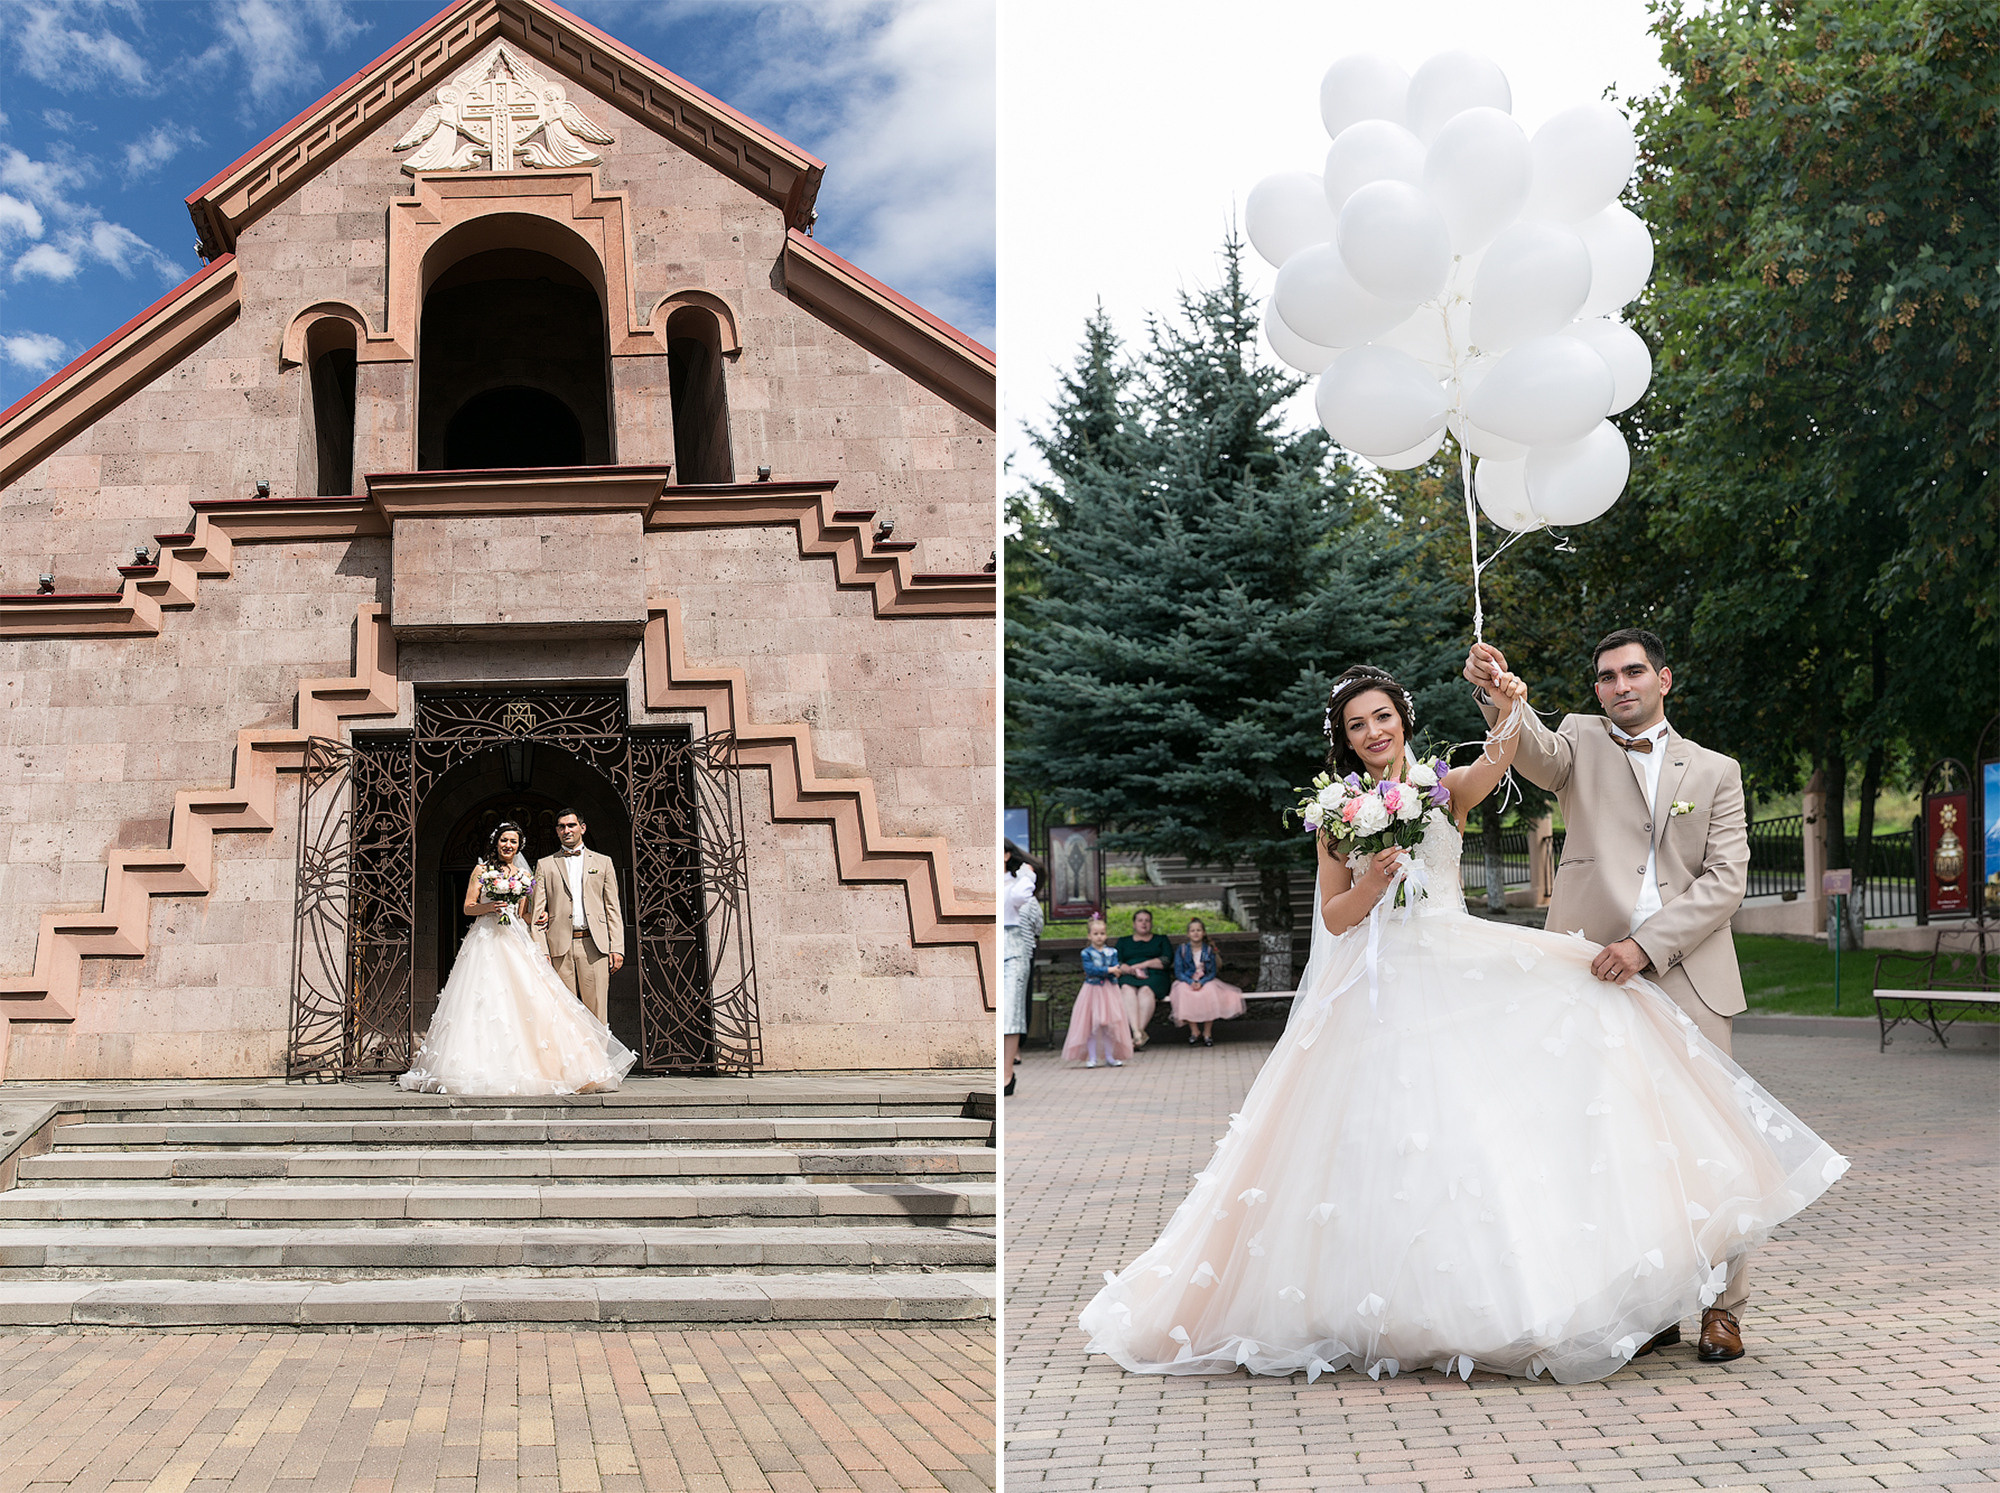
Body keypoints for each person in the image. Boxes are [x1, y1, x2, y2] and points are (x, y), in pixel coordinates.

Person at [1079, 663, 1845, 1385]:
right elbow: (1338, 918)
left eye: (1383, 717)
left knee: (1478, 1122)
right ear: (1342, 739)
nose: (1373, 731)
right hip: (1377, 994)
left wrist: (1506, 696)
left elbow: (1501, 758)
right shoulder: (1336, 813)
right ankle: (1382, 1305)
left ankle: (1541, 1300)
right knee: (1380, 1144)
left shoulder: (1443, 791)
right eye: (1357, 724)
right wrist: (1374, 880)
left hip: (1453, 973)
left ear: (1403, 721)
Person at [1465, 628, 1762, 1362]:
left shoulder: (1718, 770)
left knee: (1710, 1147)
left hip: (1689, 976)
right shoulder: (1580, 741)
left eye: (1633, 672)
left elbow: (1727, 881)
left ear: (1665, 678)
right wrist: (1501, 695)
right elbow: (1531, 749)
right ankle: (1652, 1301)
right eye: (1605, 676)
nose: (1619, 684)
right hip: (1591, 977)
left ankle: (1723, 1309)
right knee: (1613, 1145)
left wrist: (1647, 946)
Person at [401, 821, 636, 1096]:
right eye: (503, 841)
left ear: (518, 846)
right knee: (484, 998)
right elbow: (467, 907)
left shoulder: (525, 874)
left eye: (513, 842)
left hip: (515, 937)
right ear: (496, 843)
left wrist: (540, 917)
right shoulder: (482, 870)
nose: (508, 846)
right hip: (486, 938)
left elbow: (525, 913)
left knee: (528, 997)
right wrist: (490, 906)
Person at [531, 808, 624, 1024]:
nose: (567, 830)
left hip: (594, 945)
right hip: (559, 948)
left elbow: (613, 908)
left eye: (571, 825)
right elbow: (537, 913)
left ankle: (599, 1058)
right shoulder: (545, 865)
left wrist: (617, 947)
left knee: (597, 1012)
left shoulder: (603, 862)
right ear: (556, 831)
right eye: (562, 827)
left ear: (582, 828)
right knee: (564, 1013)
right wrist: (542, 951)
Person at [1002, 842, 1046, 1098]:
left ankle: (1006, 1073)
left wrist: (1027, 874)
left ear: (1007, 855)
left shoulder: (1016, 883)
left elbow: (1020, 899)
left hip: (1014, 948)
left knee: (1012, 1010)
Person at [1064, 915, 1132, 1069]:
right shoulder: (1086, 953)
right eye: (1095, 934)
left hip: (1109, 991)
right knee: (1092, 1025)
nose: (1099, 937)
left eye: (1102, 933)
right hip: (1092, 991)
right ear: (1089, 935)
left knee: (1109, 1026)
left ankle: (1110, 1056)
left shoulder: (1112, 951)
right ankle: (1092, 1057)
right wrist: (1109, 970)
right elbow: (1090, 970)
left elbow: (1116, 967)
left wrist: (1117, 971)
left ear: (1106, 934)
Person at [1169, 917, 1245, 1046]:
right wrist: (1190, 981)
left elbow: (1212, 972)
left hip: (1205, 979)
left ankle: (1207, 1033)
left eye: (1199, 930)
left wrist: (1202, 982)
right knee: (1183, 992)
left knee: (1210, 992)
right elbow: (1179, 971)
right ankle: (1194, 1031)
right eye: (1192, 930)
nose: (1196, 933)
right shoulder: (1182, 950)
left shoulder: (1208, 950)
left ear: (1203, 932)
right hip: (1187, 980)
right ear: (1188, 934)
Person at [1115, 908, 1173, 1050]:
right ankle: (1137, 1033)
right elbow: (1115, 962)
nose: (1144, 923)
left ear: (1151, 924)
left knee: (1146, 991)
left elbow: (1165, 961)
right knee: (1127, 989)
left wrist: (1143, 964)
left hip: (1154, 975)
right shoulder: (1123, 942)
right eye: (1140, 920)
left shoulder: (1161, 940)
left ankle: (1137, 1034)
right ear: (1134, 924)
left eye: (1147, 920)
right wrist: (1126, 968)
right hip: (1129, 975)